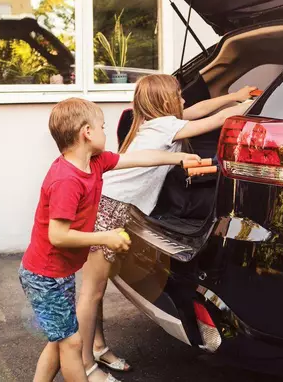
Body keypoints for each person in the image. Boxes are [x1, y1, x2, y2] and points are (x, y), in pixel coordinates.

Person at [76, 75, 254, 379]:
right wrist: (252, 105)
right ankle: (84, 365)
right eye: (179, 95)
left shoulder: (155, 122)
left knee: (97, 289)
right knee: (92, 292)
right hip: (109, 209)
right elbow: (214, 120)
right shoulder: (164, 126)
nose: (184, 100)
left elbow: (200, 110)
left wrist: (233, 96)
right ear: (165, 102)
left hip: (110, 205)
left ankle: (98, 347)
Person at [19, 97, 200, 382]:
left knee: (59, 341)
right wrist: (106, 237)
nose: (106, 131)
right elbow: (58, 235)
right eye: (102, 127)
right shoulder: (67, 180)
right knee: (72, 343)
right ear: (87, 133)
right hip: (44, 277)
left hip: (58, 273)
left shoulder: (95, 162)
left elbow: (138, 159)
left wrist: (178, 158)